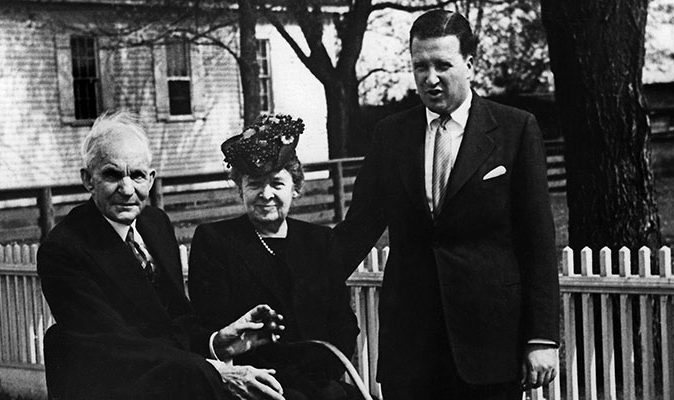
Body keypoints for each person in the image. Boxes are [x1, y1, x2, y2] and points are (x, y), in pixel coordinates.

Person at [332, 10, 560, 400]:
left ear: (470, 64)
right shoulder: (390, 135)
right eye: (420, 66)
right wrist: (293, 269)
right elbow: (358, 229)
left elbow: (537, 240)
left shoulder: (515, 129)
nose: (430, 78)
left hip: (489, 344)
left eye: (442, 65)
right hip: (411, 346)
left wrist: (541, 338)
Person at [38, 110, 287, 400]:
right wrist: (216, 372)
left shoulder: (155, 224)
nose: (127, 188)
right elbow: (116, 348)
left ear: (151, 179)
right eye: (112, 174)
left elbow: (171, 324)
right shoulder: (65, 248)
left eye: (137, 175)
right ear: (88, 180)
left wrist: (216, 342)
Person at [188, 114, 361, 400]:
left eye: (277, 184)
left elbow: (343, 324)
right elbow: (211, 326)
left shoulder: (320, 241)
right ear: (240, 188)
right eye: (255, 184)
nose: (265, 194)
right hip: (250, 386)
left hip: (318, 384)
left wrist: (317, 378)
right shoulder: (216, 242)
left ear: (296, 187)